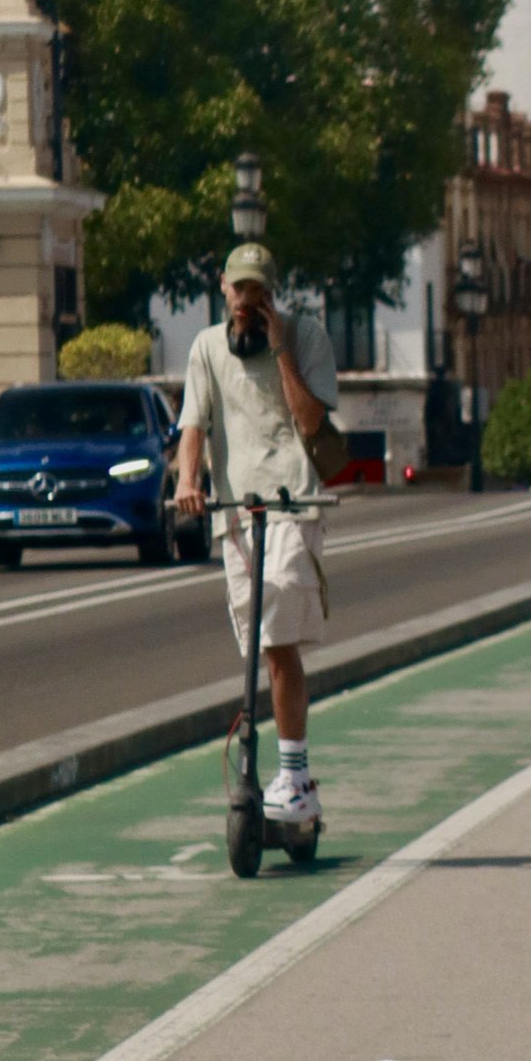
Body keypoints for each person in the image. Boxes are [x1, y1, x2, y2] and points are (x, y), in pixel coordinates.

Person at [172, 244, 341, 829]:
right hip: (237, 515)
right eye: (239, 291)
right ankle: (283, 775)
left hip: (294, 504)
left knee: (276, 639)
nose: (247, 302)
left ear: (273, 291)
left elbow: (312, 421)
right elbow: (194, 423)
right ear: (222, 287)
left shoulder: (306, 337)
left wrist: (280, 352)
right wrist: (188, 482)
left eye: (258, 292)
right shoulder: (205, 349)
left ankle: (294, 776)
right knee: (262, 647)